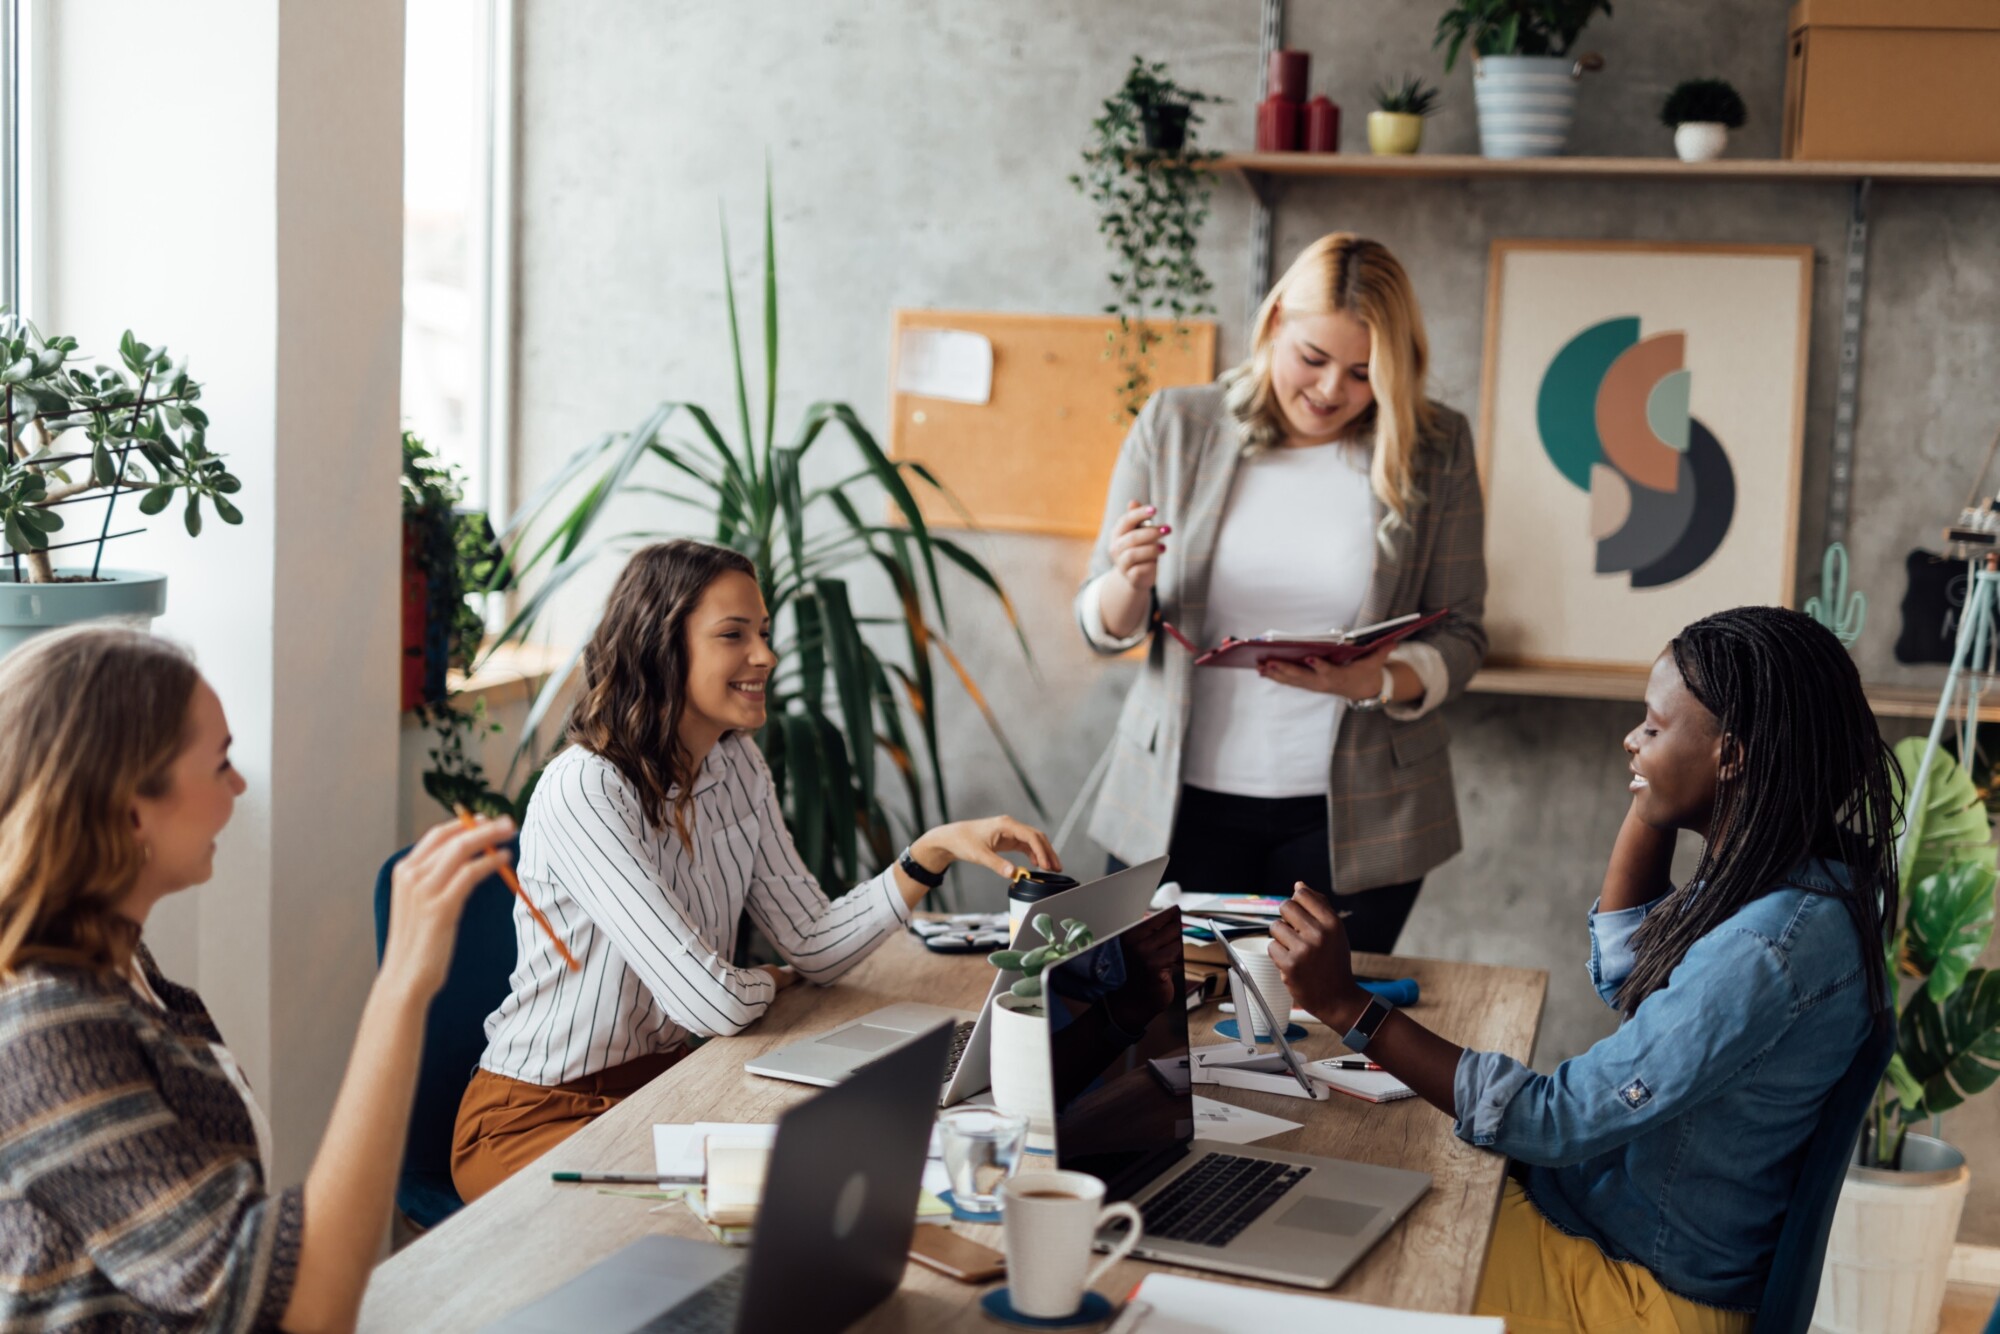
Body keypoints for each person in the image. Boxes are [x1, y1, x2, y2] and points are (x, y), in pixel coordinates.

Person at [1269, 606, 1899, 1333]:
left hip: (1637, 1296)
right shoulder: (1796, 882)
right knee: (1377, 1189)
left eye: (1654, 729)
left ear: (1733, 756)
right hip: (1611, 1235)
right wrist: (1654, 791)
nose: (1631, 741)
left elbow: (1552, 1120)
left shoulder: (1765, 950)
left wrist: (1348, 1007)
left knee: (1343, 1260)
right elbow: (1631, 972)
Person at [451, 539, 1059, 1202]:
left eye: (764, 632)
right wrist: (765, 978)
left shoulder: (736, 766)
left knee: (848, 1172)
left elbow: (814, 945)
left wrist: (929, 853)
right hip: (532, 1117)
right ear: (663, 645)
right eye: (733, 634)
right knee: (770, 1204)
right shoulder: (587, 790)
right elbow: (712, 1003)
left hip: (664, 1089)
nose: (765, 656)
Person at [0, 625, 516, 1333]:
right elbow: (303, 1307)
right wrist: (402, 984)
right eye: (220, 764)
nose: (240, 785)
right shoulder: (49, 1027)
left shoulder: (124, 970)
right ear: (129, 809)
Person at [1075, 232, 1487, 953]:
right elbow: (1102, 624)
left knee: (1318, 1039)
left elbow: (1464, 633)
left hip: (1357, 821)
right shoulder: (1177, 425)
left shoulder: (1436, 445)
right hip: (1174, 806)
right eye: (1314, 359)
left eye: (1364, 373)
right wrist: (1125, 580)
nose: (1333, 392)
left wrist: (1378, 678)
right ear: (1273, 328)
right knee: (1160, 1033)